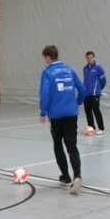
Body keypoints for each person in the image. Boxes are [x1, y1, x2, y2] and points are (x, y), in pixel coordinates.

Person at [39, 45, 86, 194]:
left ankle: (66, 177)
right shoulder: (69, 70)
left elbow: (45, 93)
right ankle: (77, 175)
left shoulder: (47, 72)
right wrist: (78, 102)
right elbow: (82, 88)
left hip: (56, 115)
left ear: (47, 57)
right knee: (72, 146)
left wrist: (43, 111)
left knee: (58, 145)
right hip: (71, 113)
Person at [82, 51, 107, 135]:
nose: (89, 59)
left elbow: (103, 79)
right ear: (86, 58)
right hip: (86, 94)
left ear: (94, 57)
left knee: (96, 111)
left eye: (91, 57)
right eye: (88, 57)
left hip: (94, 94)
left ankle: (101, 128)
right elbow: (85, 81)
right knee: (88, 111)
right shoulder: (85, 68)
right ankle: (91, 127)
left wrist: (99, 89)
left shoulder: (98, 67)